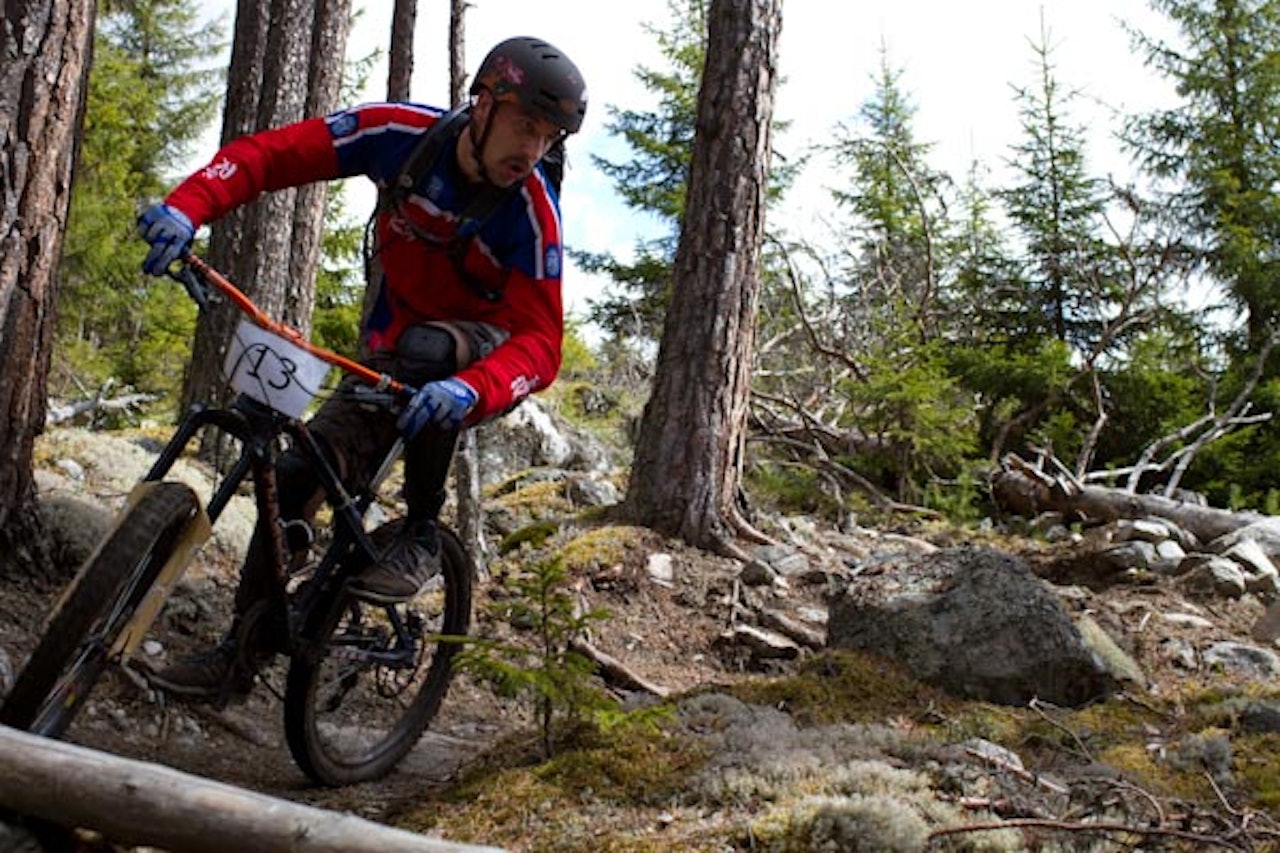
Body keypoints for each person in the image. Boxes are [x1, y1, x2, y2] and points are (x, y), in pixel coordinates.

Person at [136, 36, 587, 698]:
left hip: (475, 354)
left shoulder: (532, 213)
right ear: (483, 104)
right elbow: (271, 155)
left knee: (430, 352)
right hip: (388, 349)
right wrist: (188, 205)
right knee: (294, 476)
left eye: (549, 137)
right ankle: (241, 655)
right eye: (526, 126)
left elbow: (542, 342)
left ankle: (423, 529)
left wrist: (471, 389)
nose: (534, 149)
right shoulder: (398, 134)